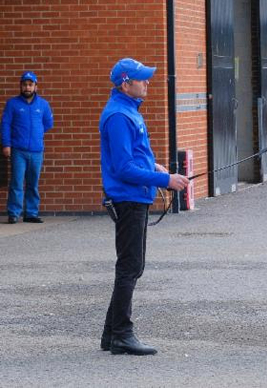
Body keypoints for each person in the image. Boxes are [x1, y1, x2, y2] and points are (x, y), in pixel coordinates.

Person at [99, 58, 189, 356]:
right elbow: (124, 168)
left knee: (131, 265)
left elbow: (133, 158)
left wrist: (154, 165)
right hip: (129, 198)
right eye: (141, 79)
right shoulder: (119, 117)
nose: (147, 82)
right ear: (126, 84)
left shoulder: (127, 111)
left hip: (134, 196)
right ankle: (122, 334)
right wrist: (164, 178)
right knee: (130, 266)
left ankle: (111, 334)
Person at [1, 71, 53, 224]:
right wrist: (6, 145)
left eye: (30, 85)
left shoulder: (43, 105)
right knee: (16, 183)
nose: (27, 87)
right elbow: (5, 125)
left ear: (35, 87)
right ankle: (14, 213)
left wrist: (36, 133)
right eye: (25, 84)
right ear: (21, 86)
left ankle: (31, 213)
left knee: (33, 183)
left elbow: (48, 123)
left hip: (36, 151)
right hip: (18, 150)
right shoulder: (12, 104)